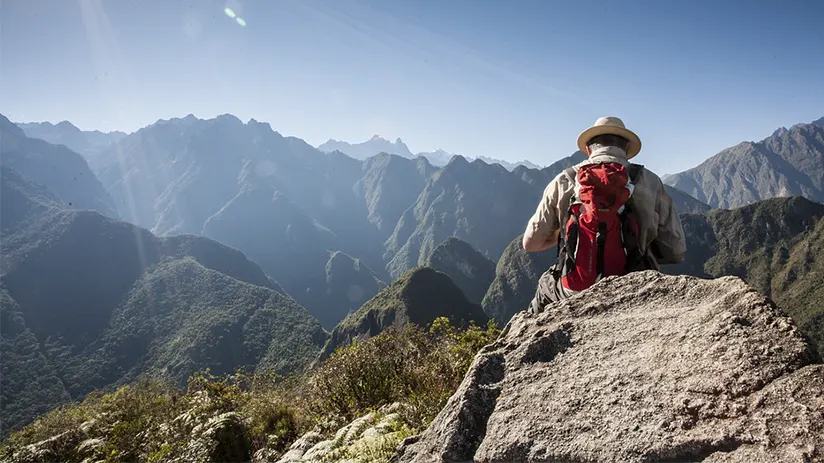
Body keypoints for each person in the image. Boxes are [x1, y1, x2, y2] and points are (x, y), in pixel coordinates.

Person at [523, 116, 686, 313]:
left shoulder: (564, 180)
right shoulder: (650, 182)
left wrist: (567, 233)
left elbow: (530, 244)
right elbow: (675, 251)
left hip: (573, 290)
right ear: (626, 149)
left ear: (589, 148)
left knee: (545, 283)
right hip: (635, 288)